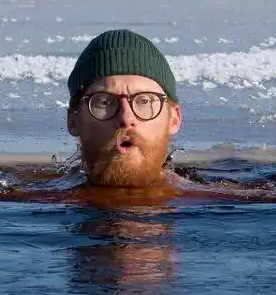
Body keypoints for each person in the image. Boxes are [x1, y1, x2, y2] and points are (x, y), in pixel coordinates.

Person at [63, 28, 186, 194]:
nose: (126, 118)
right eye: (104, 102)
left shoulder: (216, 199)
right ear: (73, 121)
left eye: (144, 100)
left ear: (174, 119)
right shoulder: (34, 198)